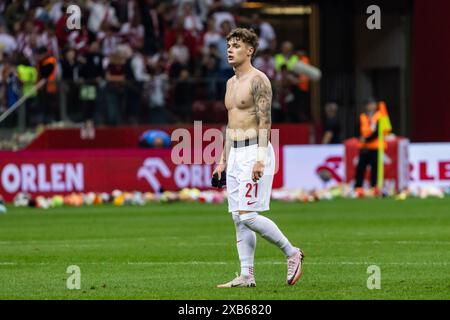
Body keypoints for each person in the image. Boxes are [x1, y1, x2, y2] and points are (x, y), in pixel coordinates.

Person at [212, 28, 304, 288]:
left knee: (248, 215)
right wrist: (222, 160)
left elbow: (265, 121)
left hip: (255, 150)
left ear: (249, 51)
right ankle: (246, 274)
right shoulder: (230, 84)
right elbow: (231, 125)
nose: (230, 50)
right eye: (229, 45)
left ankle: (292, 252)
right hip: (236, 153)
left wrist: (260, 158)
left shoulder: (259, 80)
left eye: (237, 46)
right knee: (237, 217)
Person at [354, 98, 387, 191]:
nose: (370, 106)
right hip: (364, 147)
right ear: (366, 106)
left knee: (375, 169)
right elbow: (356, 129)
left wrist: (367, 139)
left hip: (375, 146)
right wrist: (359, 138)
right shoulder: (362, 117)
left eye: (372, 104)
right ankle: (358, 187)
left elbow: (378, 132)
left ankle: (374, 188)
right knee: (360, 168)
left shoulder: (379, 116)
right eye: (368, 105)